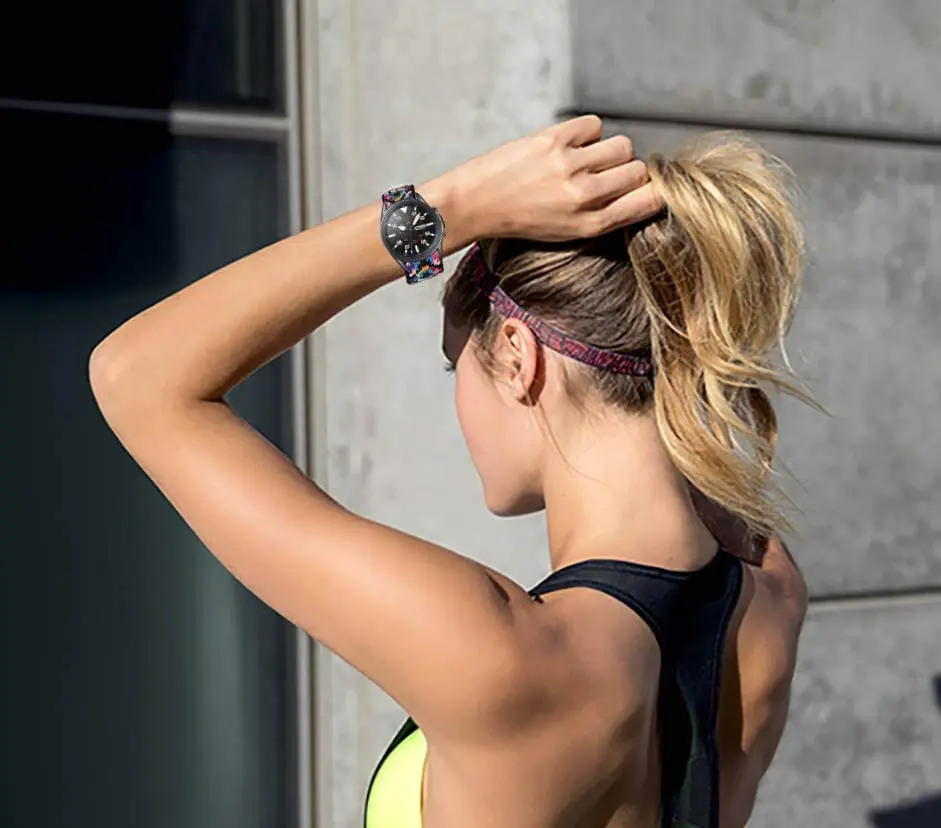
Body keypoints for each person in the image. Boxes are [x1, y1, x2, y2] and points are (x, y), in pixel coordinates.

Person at [90, 114, 816, 828]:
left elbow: (136, 378)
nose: (456, 399)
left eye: (453, 364)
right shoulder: (772, 598)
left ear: (518, 357)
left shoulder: (497, 654)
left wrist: (450, 208)